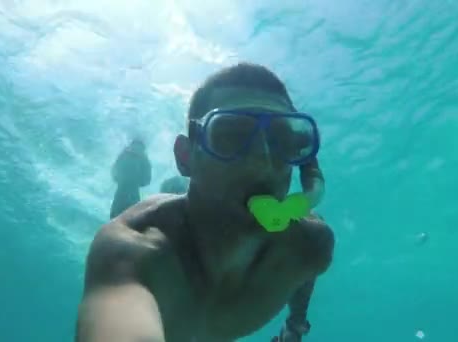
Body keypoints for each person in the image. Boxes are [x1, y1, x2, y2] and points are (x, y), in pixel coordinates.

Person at [76, 62, 335, 342]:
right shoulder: (132, 253)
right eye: (231, 137)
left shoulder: (310, 246)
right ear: (185, 157)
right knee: (126, 210)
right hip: (172, 217)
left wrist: (295, 326)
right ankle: (130, 174)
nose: (264, 160)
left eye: (282, 140)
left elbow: (306, 273)